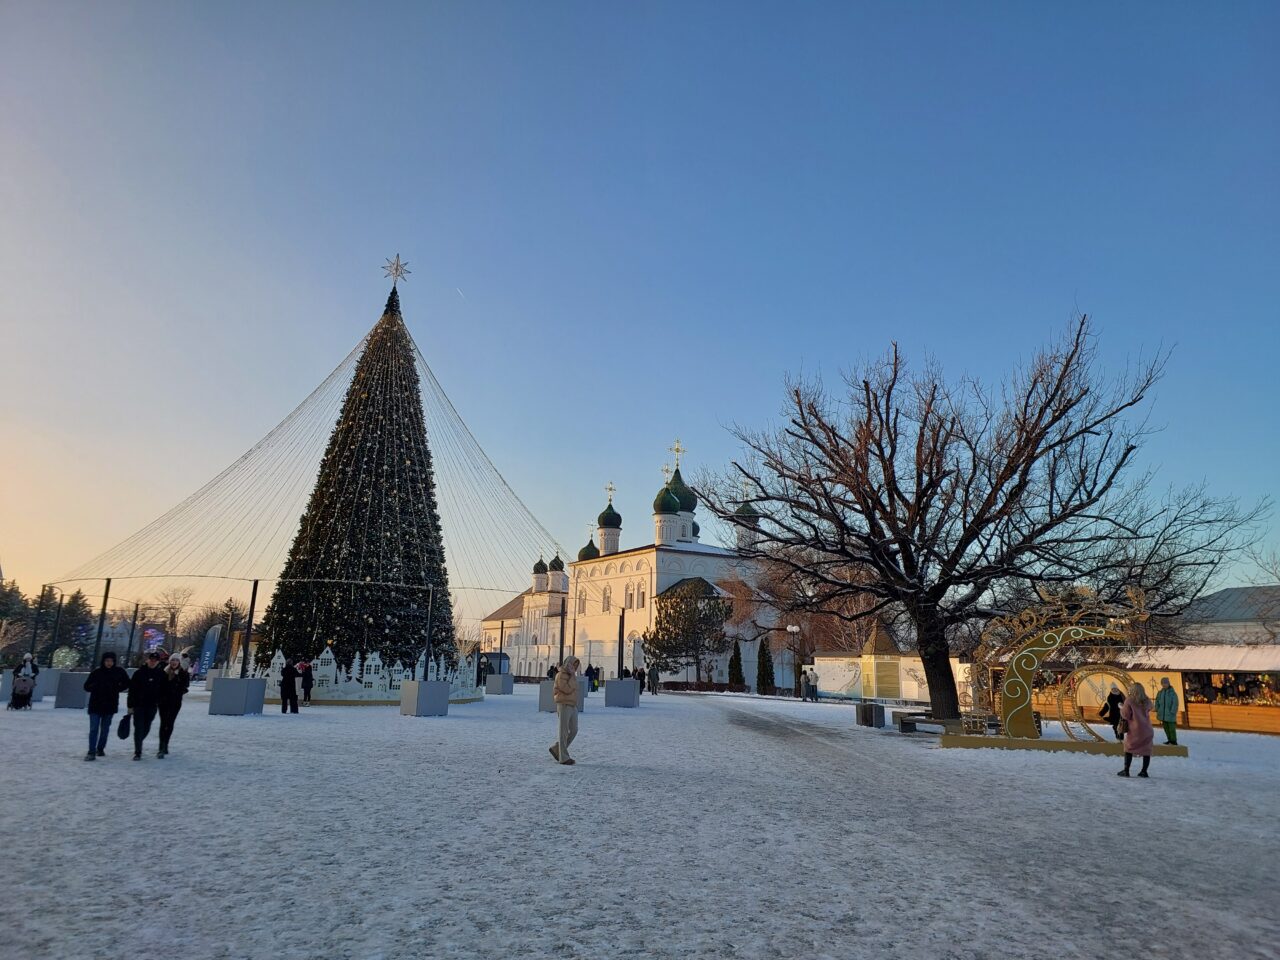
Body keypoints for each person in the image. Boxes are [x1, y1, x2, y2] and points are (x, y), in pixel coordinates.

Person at [82, 652, 130, 760]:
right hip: (96, 704)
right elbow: (86, 686)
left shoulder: (119, 672)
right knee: (94, 729)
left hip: (109, 705)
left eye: (111, 661)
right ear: (103, 661)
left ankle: (100, 748)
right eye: (107, 661)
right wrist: (96, 687)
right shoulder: (97, 672)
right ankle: (91, 751)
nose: (109, 663)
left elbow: (127, 682)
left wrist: (117, 688)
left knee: (105, 729)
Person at [127, 651, 168, 760]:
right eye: (151, 660)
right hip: (138, 705)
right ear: (147, 660)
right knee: (138, 727)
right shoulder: (139, 673)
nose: (153, 662)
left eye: (155, 660)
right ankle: (138, 751)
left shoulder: (161, 674)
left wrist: (160, 700)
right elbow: (132, 690)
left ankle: (139, 740)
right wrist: (130, 705)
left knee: (146, 727)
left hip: (152, 705)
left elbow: (165, 690)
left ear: (158, 662)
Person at [1118, 681, 1155, 778]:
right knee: (1147, 750)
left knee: (1129, 748)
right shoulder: (1147, 700)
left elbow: (1126, 715)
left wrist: (1121, 707)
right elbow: (1151, 708)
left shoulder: (1129, 700)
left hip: (1135, 730)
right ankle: (1144, 771)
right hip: (1147, 729)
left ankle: (1126, 770)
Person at [549, 655, 581, 766]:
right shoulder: (561, 675)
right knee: (563, 731)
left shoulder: (572, 676)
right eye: (573, 665)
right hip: (564, 704)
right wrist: (572, 677)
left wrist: (572, 676)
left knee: (574, 730)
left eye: (576, 665)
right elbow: (567, 689)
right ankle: (563, 757)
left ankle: (556, 749)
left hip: (572, 705)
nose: (574, 667)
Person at [157, 654, 190, 758]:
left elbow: (185, 685)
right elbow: (159, 686)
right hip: (163, 702)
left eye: (176, 660)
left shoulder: (183, 673)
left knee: (170, 723)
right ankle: (161, 747)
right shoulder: (163, 672)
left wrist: (179, 689)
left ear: (179, 662)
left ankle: (166, 744)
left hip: (175, 702)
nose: (174, 662)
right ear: (169, 661)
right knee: (163, 723)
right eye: (172, 660)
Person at [1155, 677, 1180, 746]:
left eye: (1165, 683)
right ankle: (1169, 739)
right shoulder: (1160, 693)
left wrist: (1173, 711)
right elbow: (1157, 701)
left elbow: (1175, 703)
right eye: (1163, 683)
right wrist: (1157, 708)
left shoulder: (1172, 693)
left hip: (1170, 714)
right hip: (1163, 714)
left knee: (1171, 728)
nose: (1164, 685)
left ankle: (1173, 741)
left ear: (1168, 683)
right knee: (1166, 728)